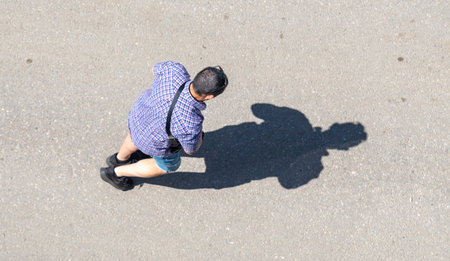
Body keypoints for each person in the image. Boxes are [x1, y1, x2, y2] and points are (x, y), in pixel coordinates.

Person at [100, 61, 228, 191]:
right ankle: (116, 173)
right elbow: (190, 150)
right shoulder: (192, 122)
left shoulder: (174, 71)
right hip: (152, 142)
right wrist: (199, 136)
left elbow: (154, 69)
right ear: (210, 96)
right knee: (168, 165)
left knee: (136, 134)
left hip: (139, 116)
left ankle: (119, 159)